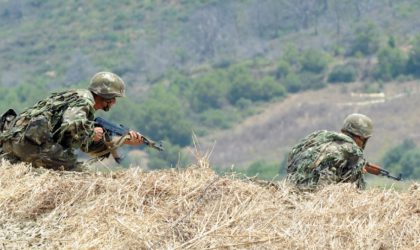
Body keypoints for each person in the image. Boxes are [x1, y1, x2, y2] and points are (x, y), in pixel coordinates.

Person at [0, 71, 144, 171]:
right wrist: (91, 131)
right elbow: (70, 124)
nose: (114, 102)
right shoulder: (85, 100)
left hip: (13, 142)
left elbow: (87, 147)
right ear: (105, 95)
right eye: (113, 98)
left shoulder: (75, 99)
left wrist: (122, 140)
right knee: (81, 175)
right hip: (30, 144)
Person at [286, 113, 374, 190]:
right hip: (320, 195)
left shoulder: (322, 139)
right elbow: (356, 189)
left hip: (293, 187)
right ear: (362, 137)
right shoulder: (352, 151)